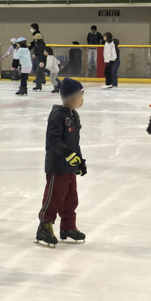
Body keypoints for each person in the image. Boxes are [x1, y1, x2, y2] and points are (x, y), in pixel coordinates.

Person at [35, 78, 87, 248]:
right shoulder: (57, 116)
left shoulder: (73, 115)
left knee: (71, 198)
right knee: (55, 197)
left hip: (70, 166)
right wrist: (67, 153)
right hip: (57, 165)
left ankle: (68, 227)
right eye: (80, 95)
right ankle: (44, 226)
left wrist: (79, 161)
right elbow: (53, 140)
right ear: (71, 97)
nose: (82, 99)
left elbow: (75, 142)